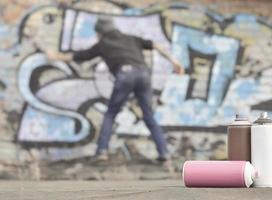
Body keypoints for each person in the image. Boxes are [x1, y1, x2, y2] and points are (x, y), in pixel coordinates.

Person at [47, 17, 184, 162]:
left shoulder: (103, 44)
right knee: (148, 115)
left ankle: (102, 151)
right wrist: (175, 62)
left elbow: (79, 56)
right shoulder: (130, 38)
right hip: (144, 75)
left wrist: (55, 56)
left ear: (101, 32)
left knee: (111, 114)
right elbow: (155, 45)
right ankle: (164, 153)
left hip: (125, 75)